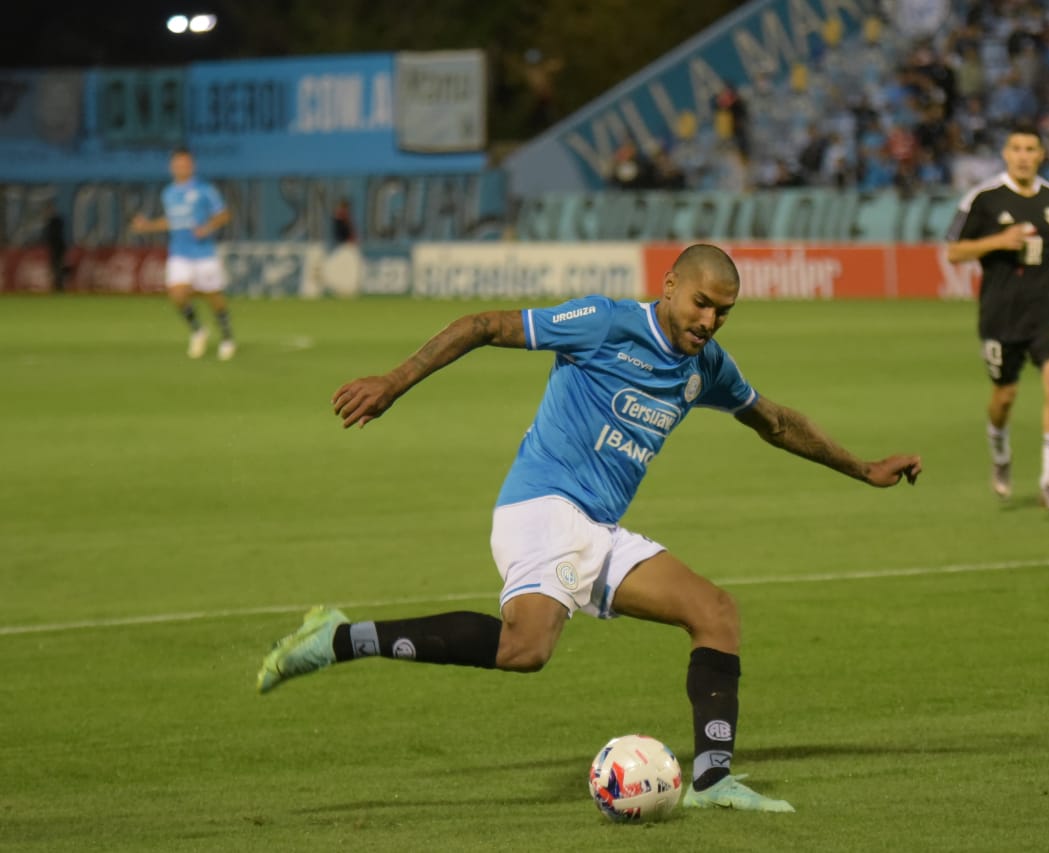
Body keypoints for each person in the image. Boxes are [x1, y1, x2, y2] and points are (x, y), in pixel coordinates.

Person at [256, 243, 923, 813]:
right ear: (669, 287)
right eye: (700, 303)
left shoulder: (706, 367)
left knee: (715, 611)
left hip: (595, 525)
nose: (710, 320)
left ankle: (715, 778)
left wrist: (863, 468)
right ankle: (339, 639)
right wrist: (395, 381)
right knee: (528, 647)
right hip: (541, 504)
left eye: (723, 311)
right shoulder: (604, 322)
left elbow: (776, 421)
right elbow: (486, 323)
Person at [945, 125, 1049, 512]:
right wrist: (998, 242)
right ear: (1005, 154)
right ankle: (1000, 451)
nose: (1023, 155)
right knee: (1004, 397)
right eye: (1016, 148)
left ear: (1041, 155)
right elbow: (954, 252)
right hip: (1001, 311)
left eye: (1031, 149)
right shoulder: (983, 198)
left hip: (1048, 304)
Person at [129, 148, 235, 360]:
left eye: (185, 164)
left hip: (203, 252)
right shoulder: (169, 193)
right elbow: (173, 220)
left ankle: (226, 337)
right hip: (179, 252)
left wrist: (207, 227)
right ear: (172, 167)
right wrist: (147, 226)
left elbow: (224, 214)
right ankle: (198, 331)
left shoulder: (205, 190)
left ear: (192, 166)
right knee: (177, 295)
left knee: (213, 296)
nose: (181, 167)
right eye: (177, 164)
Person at [42, 202, 68, 294]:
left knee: (58, 267)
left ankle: (59, 286)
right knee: (55, 268)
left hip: (58, 249)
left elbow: (53, 236)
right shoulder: (52, 222)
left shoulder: (55, 221)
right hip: (55, 249)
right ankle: (57, 286)